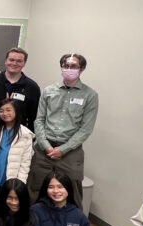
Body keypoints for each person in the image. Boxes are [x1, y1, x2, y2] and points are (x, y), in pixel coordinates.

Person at [29, 53, 99, 202]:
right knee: (34, 188)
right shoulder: (48, 91)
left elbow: (86, 129)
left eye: (73, 66)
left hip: (71, 152)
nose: (69, 69)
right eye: (66, 66)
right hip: (43, 149)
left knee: (73, 192)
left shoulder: (90, 95)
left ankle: (72, 223)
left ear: (82, 69)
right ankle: (32, 222)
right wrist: (45, 145)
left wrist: (63, 149)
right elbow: (39, 120)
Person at [0, 98, 34, 205]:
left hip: (9, 181)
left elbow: (25, 162)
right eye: (1, 111)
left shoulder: (25, 134)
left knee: (2, 210)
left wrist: (19, 184)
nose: (4, 113)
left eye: (8, 110)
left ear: (16, 111)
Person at [0, 48, 41, 130]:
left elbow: (34, 117)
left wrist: (31, 137)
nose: (14, 63)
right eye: (11, 60)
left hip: (18, 136)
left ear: (24, 63)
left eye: (19, 61)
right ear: (6, 61)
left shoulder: (32, 88)